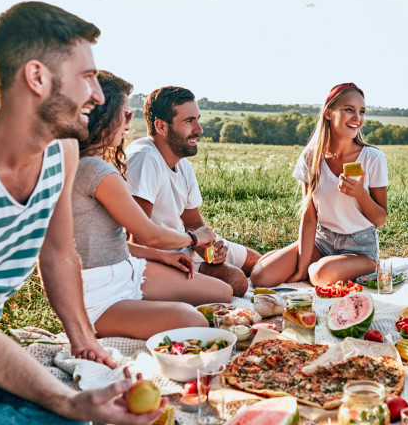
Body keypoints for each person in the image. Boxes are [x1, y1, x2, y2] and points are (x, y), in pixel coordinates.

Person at [0, 2, 164, 425]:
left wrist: (83, 339)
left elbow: (57, 253)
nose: (97, 96)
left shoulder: (62, 150)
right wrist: (67, 401)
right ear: (37, 77)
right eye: (87, 77)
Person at [74, 71, 233, 340]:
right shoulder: (97, 172)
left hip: (126, 270)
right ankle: (142, 314)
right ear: (104, 117)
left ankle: (149, 310)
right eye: (125, 113)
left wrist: (163, 257)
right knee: (194, 320)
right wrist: (195, 237)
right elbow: (149, 234)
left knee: (224, 293)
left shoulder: (90, 165)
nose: (129, 121)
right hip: (101, 292)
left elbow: (107, 241)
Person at [250, 83, 388, 287]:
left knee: (318, 274)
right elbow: (309, 216)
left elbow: (380, 219)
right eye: (349, 109)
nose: (357, 118)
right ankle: (309, 264)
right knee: (260, 277)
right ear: (328, 114)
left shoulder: (373, 157)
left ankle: (359, 269)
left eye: (361, 111)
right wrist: (300, 268)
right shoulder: (311, 156)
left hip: (359, 248)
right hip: (322, 242)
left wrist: (360, 194)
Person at [125, 87, 259, 296]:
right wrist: (194, 242)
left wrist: (210, 252)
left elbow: (194, 222)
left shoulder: (182, 162)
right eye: (189, 121)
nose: (199, 129)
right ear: (161, 126)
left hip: (185, 243)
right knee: (237, 281)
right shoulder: (144, 159)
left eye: (198, 119)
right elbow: (139, 238)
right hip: (160, 259)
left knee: (258, 263)